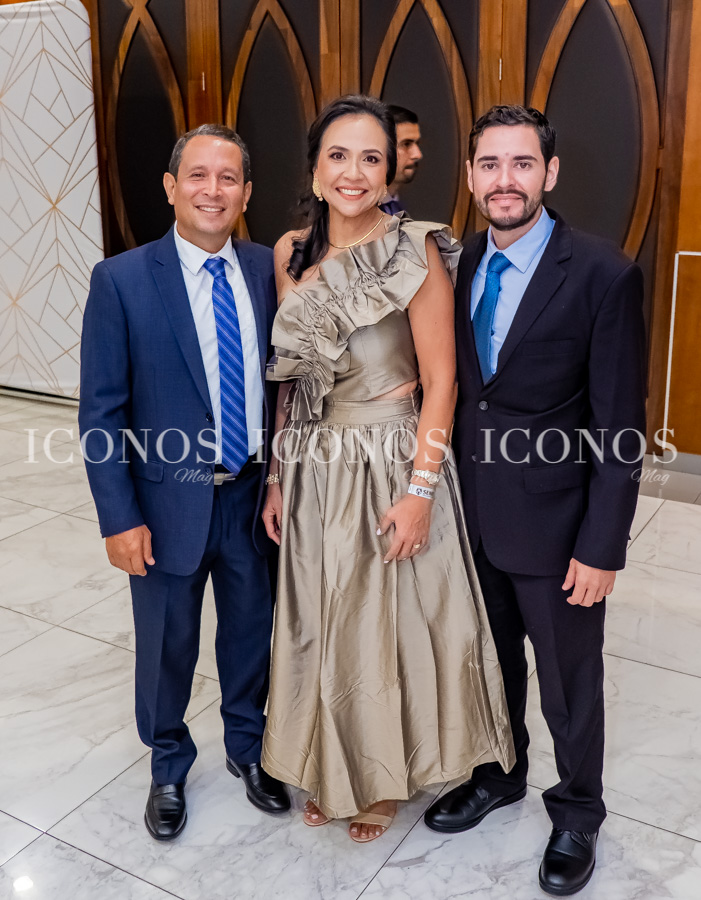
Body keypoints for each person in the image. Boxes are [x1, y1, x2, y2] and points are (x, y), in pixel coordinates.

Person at [260, 94, 514, 844]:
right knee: (323, 620)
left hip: (389, 461)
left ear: (390, 169)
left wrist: (420, 492)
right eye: (338, 155)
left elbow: (442, 380)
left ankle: (382, 779)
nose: (353, 172)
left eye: (371, 157)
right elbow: (294, 377)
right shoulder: (289, 252)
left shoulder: (415, 250)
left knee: (383, 627)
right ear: (314, 167)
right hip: (313, 466)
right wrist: (277, 476)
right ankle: (331, 765)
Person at [423, 105, 647, 896]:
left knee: (567, 681)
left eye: (521, 164)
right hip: (471, 515)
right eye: (489, 164)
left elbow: (620, 427)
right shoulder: (455, 265)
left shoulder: (602, 274)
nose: (504, 180)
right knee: (489, 664)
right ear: (470, 175)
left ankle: (577, 810)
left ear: (549, 173)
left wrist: (600, 545)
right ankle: (499, 772)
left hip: (557, 527)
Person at [79, 124, 289, 842]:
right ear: (171, 187)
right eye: (197, 175)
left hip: (251, 495)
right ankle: (168, 761)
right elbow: (101, 412)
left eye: (228, 178)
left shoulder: (266, 270)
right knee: (167, 643)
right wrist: (118, 517)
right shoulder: (122, 280)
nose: (212, 190)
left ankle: (248, 747)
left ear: (247, 193)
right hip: (164, 501)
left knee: (251, 632)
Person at [379, 104, 422, 215]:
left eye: (417, 143)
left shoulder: (400, 210)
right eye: (406, 144)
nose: (417, 155)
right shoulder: (354, 212)